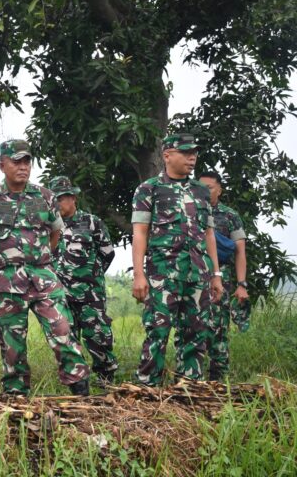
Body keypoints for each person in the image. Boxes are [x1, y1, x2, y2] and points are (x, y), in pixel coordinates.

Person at [0, 140, 91, 396]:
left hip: (43, 279)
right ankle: (16, 396)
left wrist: (39, 259)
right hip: (7, 283)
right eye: (16, 161)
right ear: (2, 165)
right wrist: (3, 266)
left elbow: (55, 234)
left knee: (62, 330)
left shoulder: (46, 197)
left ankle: (80, 391)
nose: (23, 167)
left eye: (27, 161)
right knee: (12, 344)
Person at [131, 133, 224, 386]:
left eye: (194, 152)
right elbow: (140, 232)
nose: (191, 157)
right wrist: (139, 274)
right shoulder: (149, 189)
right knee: (158, 330)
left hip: (197, 274)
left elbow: (209, 234)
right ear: (167, 155)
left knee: (196, 332)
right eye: (185, 152)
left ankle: (189, 388)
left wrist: (216, 275)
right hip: (163, 275)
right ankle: (146, 388)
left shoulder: (201, 192)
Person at [50, 176, 119, 384]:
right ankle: (77, 380)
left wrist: (91, 275)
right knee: (66, 338)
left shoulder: (91, 222)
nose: (58, 203)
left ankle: (106, 376)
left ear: (73, 198)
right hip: (60, 294)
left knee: (98, 336)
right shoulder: (48, 227)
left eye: (62, 198)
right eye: (54, 199)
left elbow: (107, 253)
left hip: (90, 294)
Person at [198, 171, 249, 381]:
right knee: (194, 327)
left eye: (209, 187)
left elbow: (240, 253)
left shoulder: (230, 216)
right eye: (200, 187)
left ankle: (218, 382)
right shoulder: (191, 212)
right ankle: (191, 379)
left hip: (222, 280)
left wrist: (241, 284)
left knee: (218, 329)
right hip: (194, 277)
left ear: (219, 189)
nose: (204, 191)